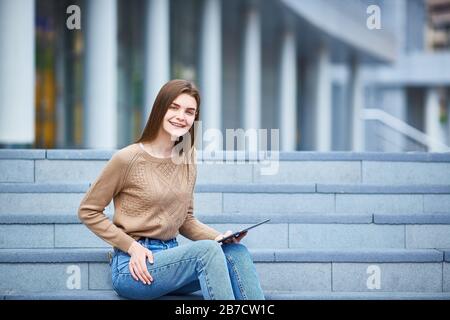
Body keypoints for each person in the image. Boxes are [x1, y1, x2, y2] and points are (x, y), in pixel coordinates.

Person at [78, 79, 265, 300]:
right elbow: (88, 211)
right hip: (134, 265)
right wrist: (131, 246)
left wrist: (220, 238)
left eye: (189, 111)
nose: (180, 116)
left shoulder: (187, 157)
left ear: (195, 118)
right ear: (160, 109)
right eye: (174, 107)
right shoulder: (126, 159)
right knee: (206, 251)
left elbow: (185, 219)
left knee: (236, 252)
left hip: (172, 259)